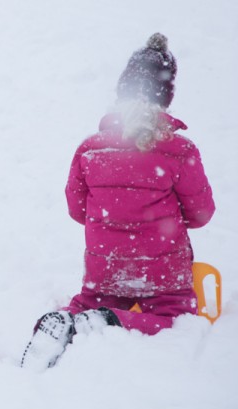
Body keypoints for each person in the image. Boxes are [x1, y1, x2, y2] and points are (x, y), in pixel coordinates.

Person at [21, 34, 215, 369]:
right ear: (166, 97)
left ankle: (68, 320)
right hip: (162, 273)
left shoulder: (90, 149)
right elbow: (201, 214)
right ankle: (104, 321)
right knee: (175, 317)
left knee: (90, 300)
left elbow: (77, 210)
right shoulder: (179, 151)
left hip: (106, 266)